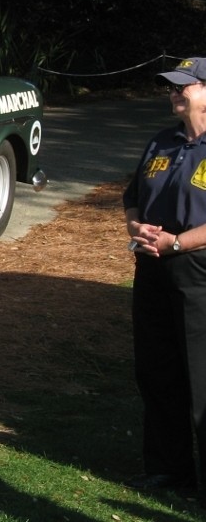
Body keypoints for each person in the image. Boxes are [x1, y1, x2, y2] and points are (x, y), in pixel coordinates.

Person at [123, 57, 206, 502]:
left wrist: (180, 242)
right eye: (171, 87)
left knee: (202, 376)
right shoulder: (162, 141)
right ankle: (168, 470)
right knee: (157, 370)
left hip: (199, 271)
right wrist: (137, 229)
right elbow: (133, 196)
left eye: (184, 87)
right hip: (153, 266)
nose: (174, 93)